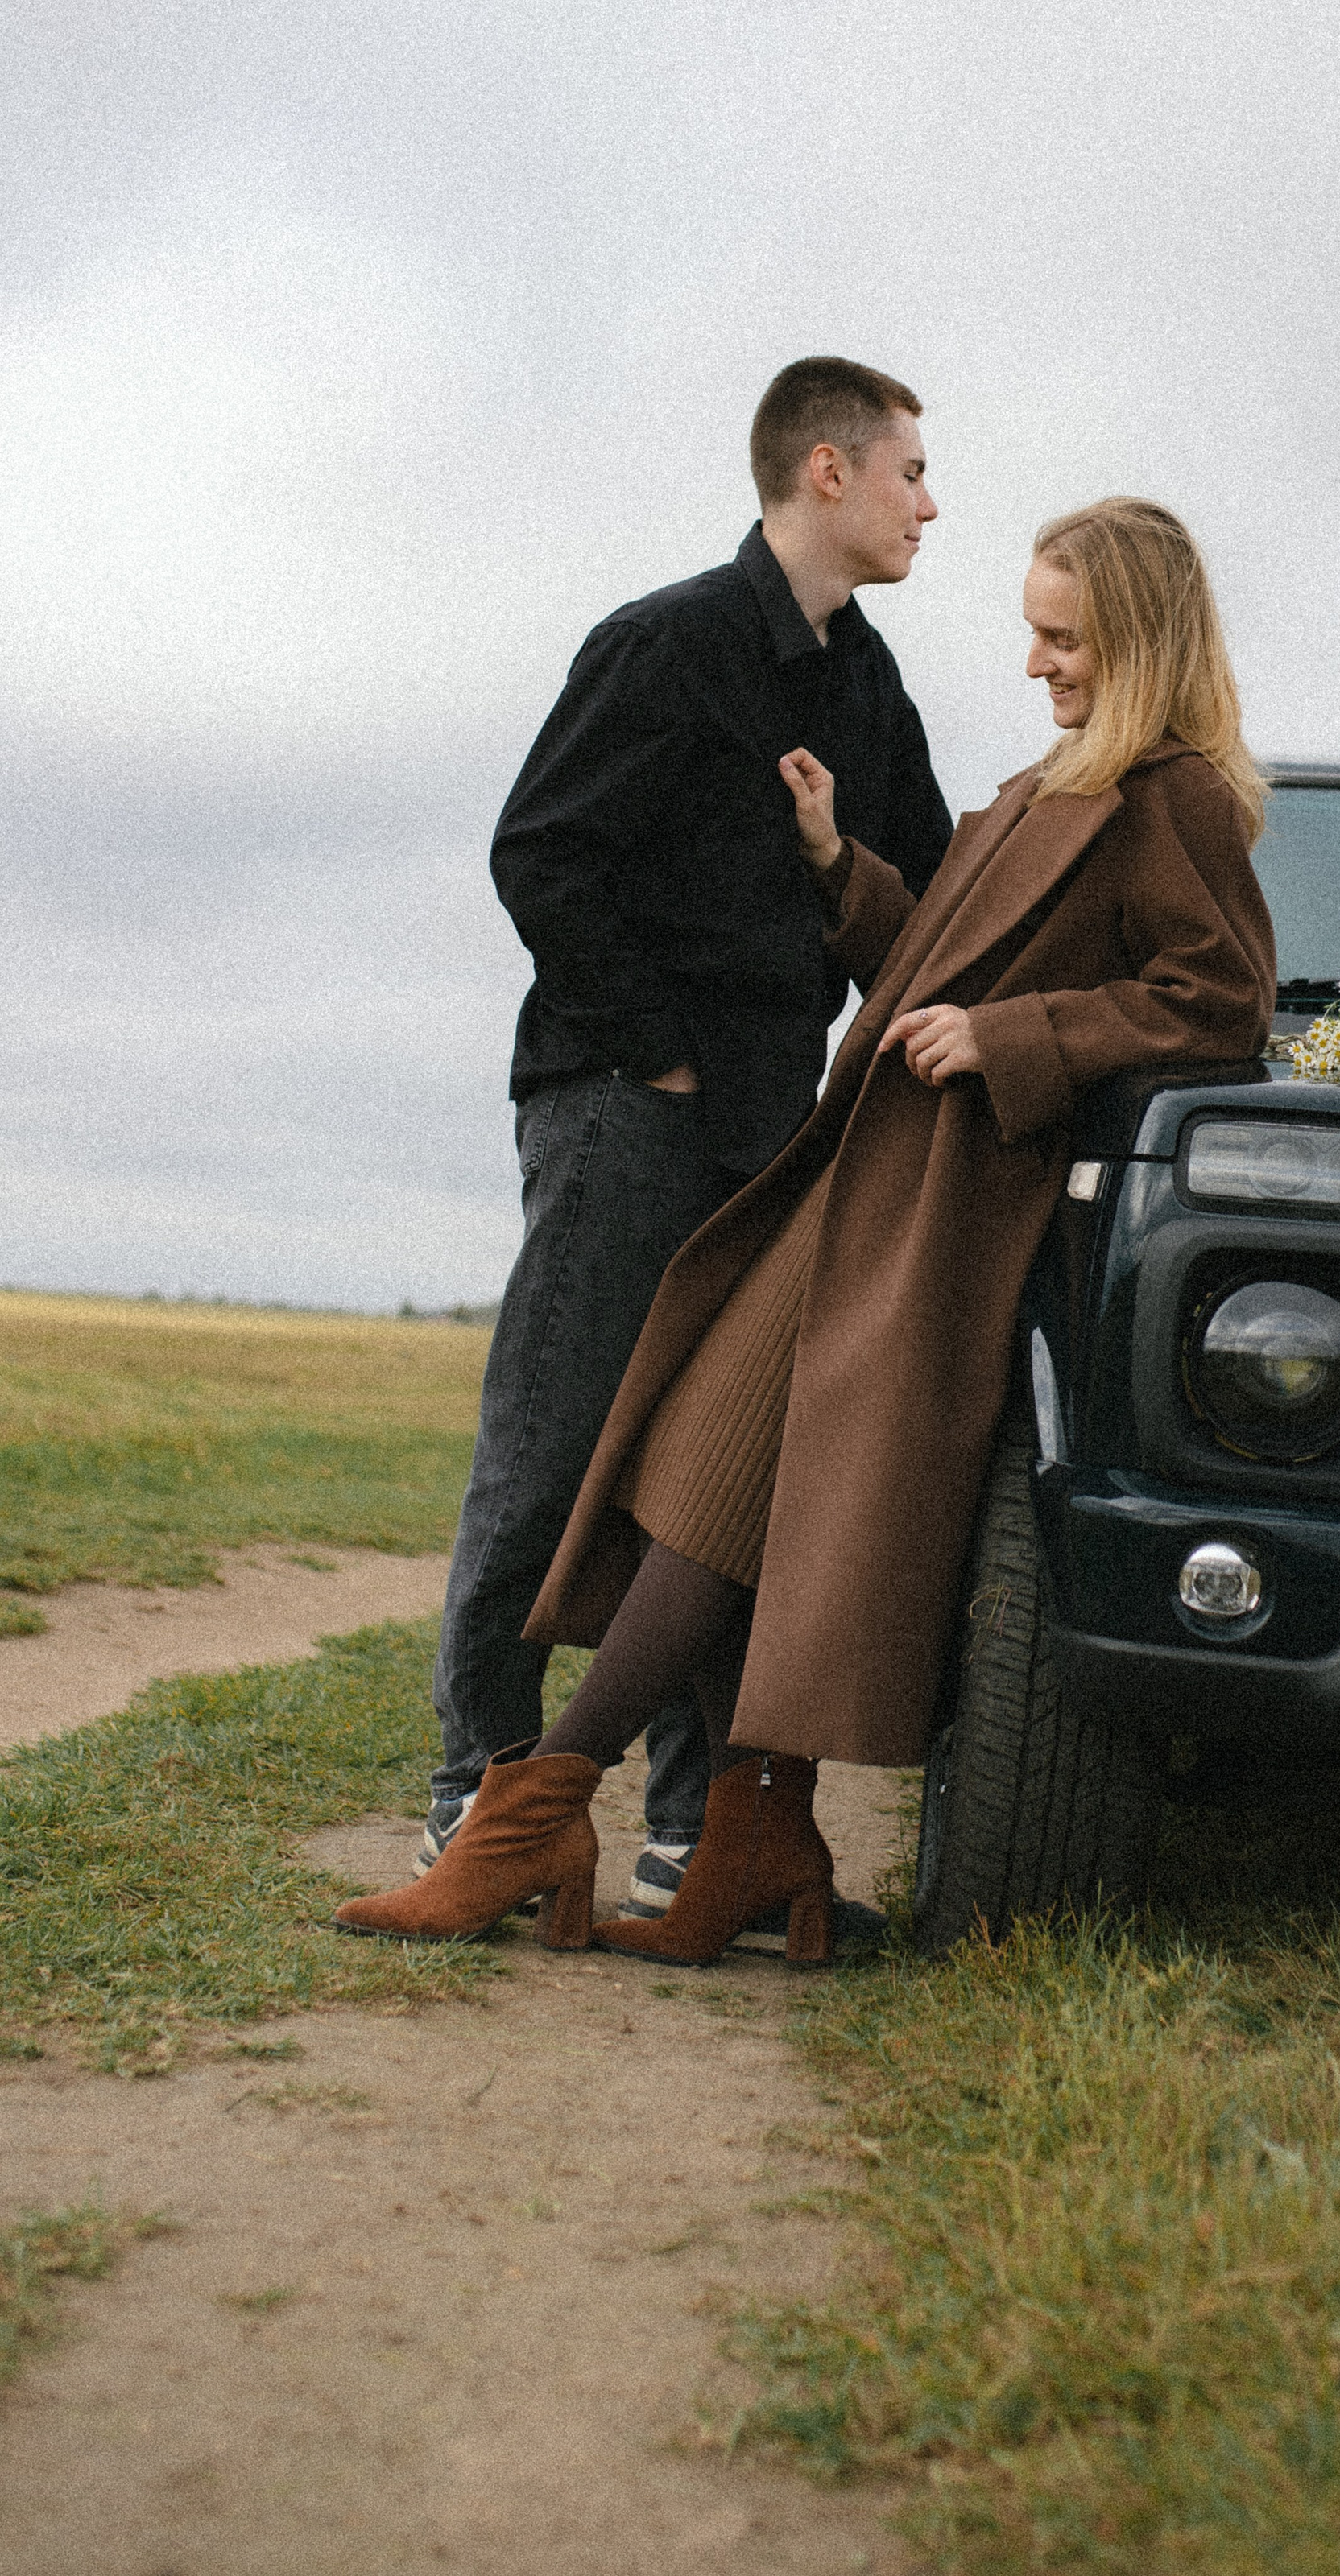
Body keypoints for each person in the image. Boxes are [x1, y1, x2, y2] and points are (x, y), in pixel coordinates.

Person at [340, 497, 1275, 1963]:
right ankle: (751, 1842)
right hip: (858, 1181)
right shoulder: (1059, 780)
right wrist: (842, 865)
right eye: (1035, 632)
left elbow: (1221, 1004)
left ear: (1143, 643)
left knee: (720, 1489)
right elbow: (927, 956)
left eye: (1064, 637)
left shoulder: (1176, 796)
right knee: (719, 1483)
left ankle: (535, 1814)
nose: (1036, 662)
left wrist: (1016, 1036)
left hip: (939, 1214)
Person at [420, 358, 952, 1928]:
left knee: (710, 1482)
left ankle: (677, 1828)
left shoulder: (868, 689)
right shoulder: (662, 643)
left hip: (764, 1133)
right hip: (616, 1110)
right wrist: (645, 1049)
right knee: (554, 1439)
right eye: (912, 470)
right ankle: (480, 1795)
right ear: (825, 471)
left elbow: (915, 910)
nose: (932, 503)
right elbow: (540, 851)